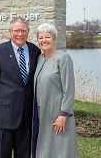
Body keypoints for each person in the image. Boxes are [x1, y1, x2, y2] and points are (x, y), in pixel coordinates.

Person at [0, 17, 41, 158]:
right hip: (3, 115)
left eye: (23, 31)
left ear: (28, 32)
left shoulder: (35, 51)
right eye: (16, 31)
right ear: (10, 31)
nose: (20, 34)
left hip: (26, 116)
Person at [33, 23, 79, 158]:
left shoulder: (63, 58)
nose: (43, 40)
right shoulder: (40, 59)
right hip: (42, 113)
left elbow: (69, 89)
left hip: (57, 114)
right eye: (40, 38)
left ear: (54, 39)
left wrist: (63, 115)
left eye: (47, 37)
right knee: (44, 147)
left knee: (60, 149)